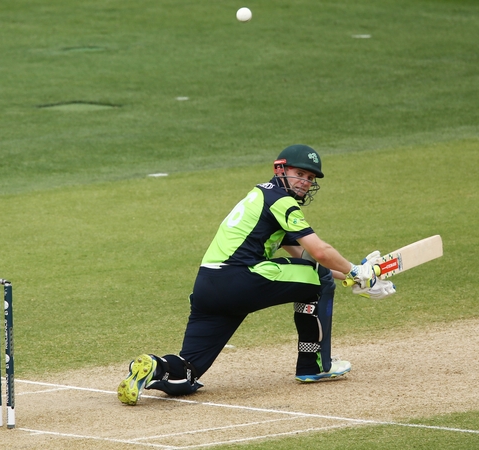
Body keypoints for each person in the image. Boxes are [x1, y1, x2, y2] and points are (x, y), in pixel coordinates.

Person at [117, 144, 396, 405]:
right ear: (280, 170)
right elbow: (319, 252)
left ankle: (154, 366)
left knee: (188, 372)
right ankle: (314, 366)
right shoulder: (280, 201)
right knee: (316, 279)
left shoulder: (259, 197)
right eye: (299, 174)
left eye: (310, 177)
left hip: (208, 286)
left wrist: (353, 278)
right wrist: (358, 271)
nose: (304, 181)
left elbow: (303, 257)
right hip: (239, 278)